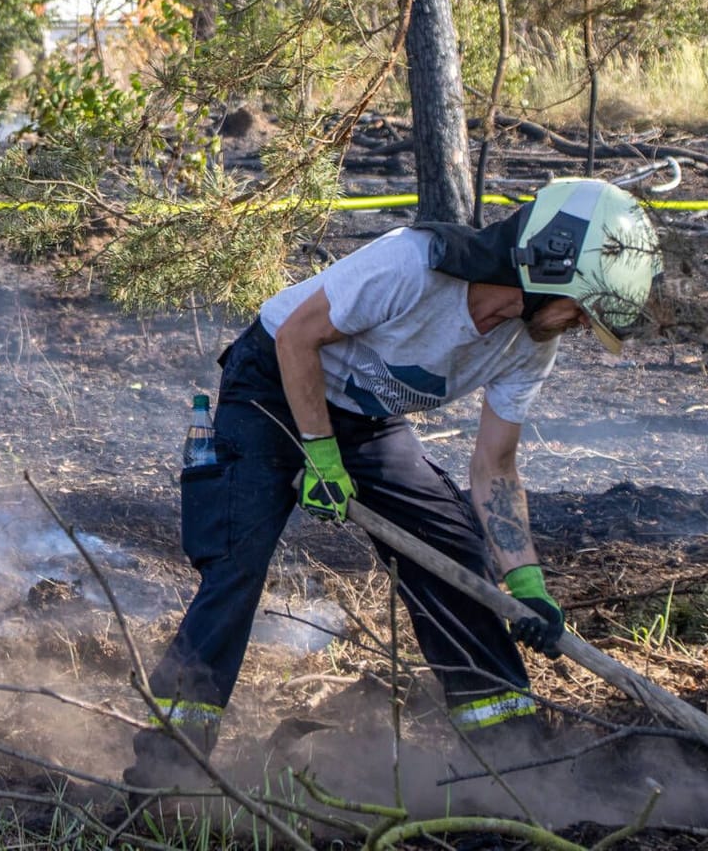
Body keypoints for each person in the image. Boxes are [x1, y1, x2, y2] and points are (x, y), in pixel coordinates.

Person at [124, 178, 663, 785]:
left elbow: (495, 466)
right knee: (237, 567)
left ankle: (514, 761)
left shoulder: (529, 346)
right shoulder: (412, 264)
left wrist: (527, 583)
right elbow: (299, 335)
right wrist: (321, 457)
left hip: (364, 417)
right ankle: (166, 769)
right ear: (548, 265)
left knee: (451, 554)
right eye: (582, 311)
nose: (580, 328)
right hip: (273, 382)